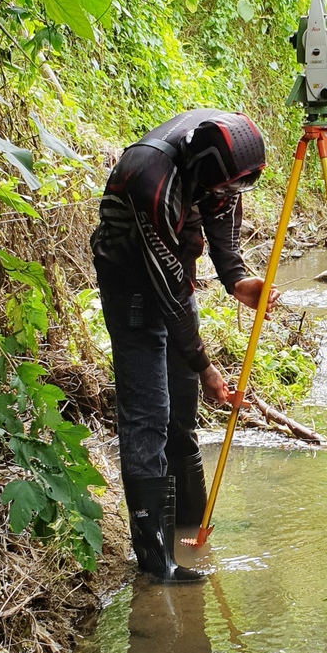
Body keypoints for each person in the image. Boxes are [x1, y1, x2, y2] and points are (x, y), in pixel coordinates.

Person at [90, 109, 277, 585]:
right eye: (225, 189)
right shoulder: (151, 180)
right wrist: (205, 365)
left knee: (182, 409)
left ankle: (189, 520)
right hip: (131, 282)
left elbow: (221, 212)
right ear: (201, 175)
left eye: (239, 188)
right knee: (149, 413)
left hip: (170, 275)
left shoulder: (222, 159)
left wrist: (236, 278)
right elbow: (170, 293)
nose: (230, 197)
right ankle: (155, 559)